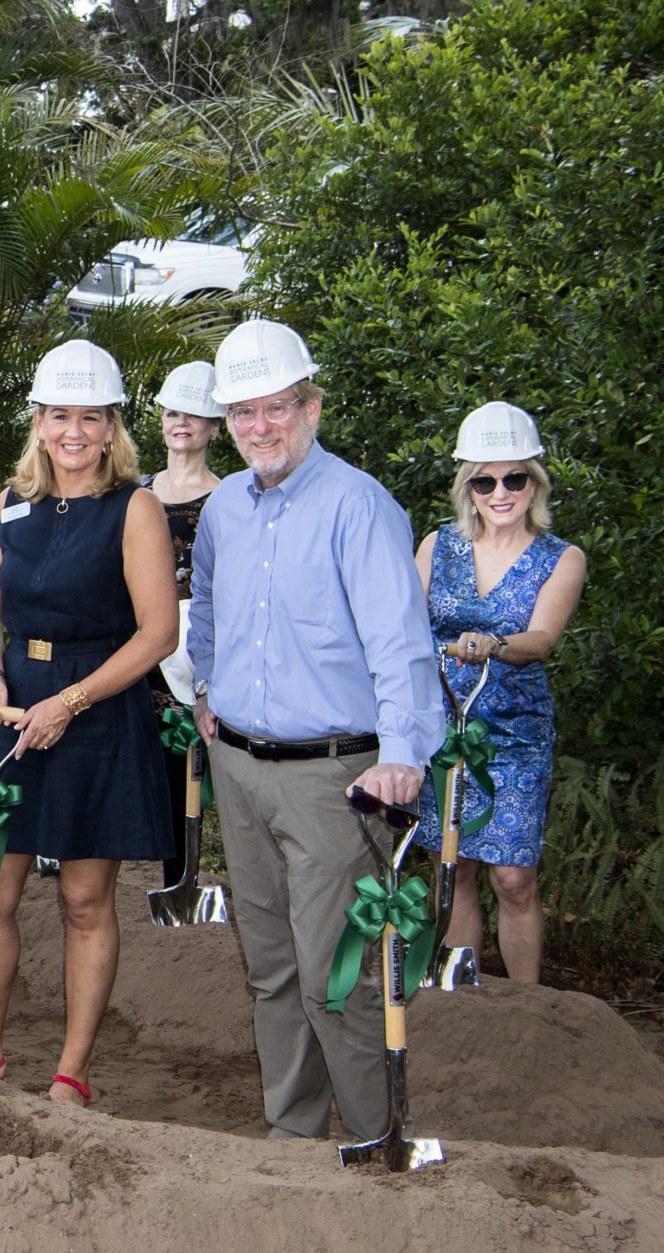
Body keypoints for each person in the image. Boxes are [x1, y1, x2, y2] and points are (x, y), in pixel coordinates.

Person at [189, 319, 443, 1141]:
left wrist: (403, 754)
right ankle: (293, 1139)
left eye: (275, 408)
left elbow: (401, 644)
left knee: (333, 973)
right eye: (242, 413)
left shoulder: (359, 506)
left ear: (312, 406)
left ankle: (375, 1139)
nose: (259, 427)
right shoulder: (226, 504)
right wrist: (205, 693)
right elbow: (212, 616)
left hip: (334, 780)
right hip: (239, 765)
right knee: (270, 967)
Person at [0, 341, 179, 1107]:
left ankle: (71, 1072)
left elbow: (158, 635)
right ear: (38, 420)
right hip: (15, 700)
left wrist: (72, 701)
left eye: (91, 417)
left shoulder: (135, 506)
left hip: (97, 706)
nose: (75, 432)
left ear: (114, 425)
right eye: (60, 415)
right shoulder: (11, 501)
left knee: (85, 899)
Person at [411, 402, 585, 985]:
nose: (500, 491)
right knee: (451, 866)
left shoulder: (561, 557)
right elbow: (406, 626)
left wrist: (494, 643)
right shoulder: (439, 546)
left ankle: (524, 1007)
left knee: (513, 877)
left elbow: (540, 639)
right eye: (485, 480)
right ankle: (463, 994)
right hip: (441, 727)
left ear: (535, 482)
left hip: (513, 734)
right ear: (469, 486)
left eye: (515, 477)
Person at [141, 361, 224, 886]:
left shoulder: (229, 498)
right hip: (136, 641)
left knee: (181, 768)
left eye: (194, 415)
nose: (181, 422)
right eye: (173, 411)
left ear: (216, 427)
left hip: (192, 649)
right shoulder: (136, 489)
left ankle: (181, 880)